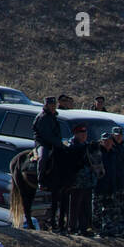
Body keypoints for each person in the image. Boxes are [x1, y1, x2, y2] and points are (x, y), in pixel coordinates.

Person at [33, 96, 66, 231]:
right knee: (43, 157)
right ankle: (41, 180)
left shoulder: (54, 117)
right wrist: (58, 143)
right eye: (50, 105)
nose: (52, 107)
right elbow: (46, 135)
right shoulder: (42, 117)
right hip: (43, 143)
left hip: (54, 143)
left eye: (54, 105)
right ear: (46, 105)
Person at [64, 123, 100, 235]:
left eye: (85, 133)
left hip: (87, 181)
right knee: (75, 205)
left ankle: (84, 228)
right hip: (76, 181)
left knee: (86, 205)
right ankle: (72, 228)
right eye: (81, 133)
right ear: (76, 134)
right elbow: (73, 155)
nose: (84, 135)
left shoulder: (86, 145)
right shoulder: (72, 144)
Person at [92, 128, 124, 237]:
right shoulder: (98, 152)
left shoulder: (115, 152)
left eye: (109, 141)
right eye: (105, 141)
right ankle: (97, 230)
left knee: (110, 210)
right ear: (102, 141)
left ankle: (110, 230)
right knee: (97, 210)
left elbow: (118, 170)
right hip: (99, 186)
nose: (107, 143)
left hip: (112, 186)